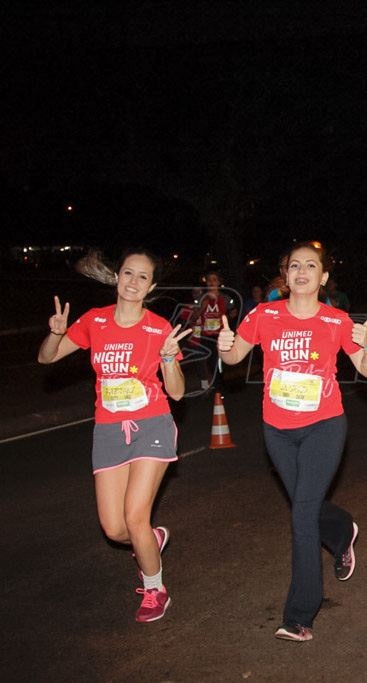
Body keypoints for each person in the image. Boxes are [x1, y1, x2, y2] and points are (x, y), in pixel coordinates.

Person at [217, 241, 367, 643]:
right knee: (306, 506)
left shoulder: (337, 320)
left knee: (302, 515)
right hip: (277, 428)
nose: (302, 271)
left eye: (311, 266)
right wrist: (225, 347)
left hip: (324, 425)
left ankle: (299, 615)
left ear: (323, 278)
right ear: (285, 275)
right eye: (294, 266)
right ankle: (342, 531)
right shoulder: (264, 314)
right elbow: (237, 357)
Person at [37, 248, 192, 622]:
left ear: (150, 286)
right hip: (108, 428)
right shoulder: (95, 321)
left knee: (135, 517)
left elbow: (177, 393)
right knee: (114, 527)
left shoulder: (158, 328)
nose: (133, 282)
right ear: (116, 277)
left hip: (152, 424)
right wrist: (55, 335)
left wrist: (170, 360)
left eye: (142, 277)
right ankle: (151, 542)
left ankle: (156, 590)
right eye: (127, 273)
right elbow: (47, 358)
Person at [189, 271, 235, 393]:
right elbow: (193, 317)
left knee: (219, 362)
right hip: (206, 336)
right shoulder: (201, 298)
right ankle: (217, 387)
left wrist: (227, 316)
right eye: (209, 280)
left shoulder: (225, 298)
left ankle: (220, 388)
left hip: (220, 336)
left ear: (219, 282)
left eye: (214, 280)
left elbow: (233, 312)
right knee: (211, 362)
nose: (212, 282)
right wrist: (202, 307)